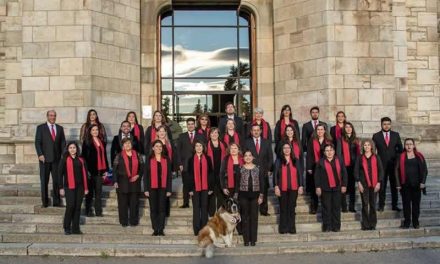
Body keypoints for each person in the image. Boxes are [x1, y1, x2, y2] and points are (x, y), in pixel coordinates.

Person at [35, 110, 66, 207]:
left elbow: (63, 143)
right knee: (44, 181)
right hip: (44, 160)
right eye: (51, 115)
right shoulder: (41, 128)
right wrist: (40, 154)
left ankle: (57, 202)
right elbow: (37, 142)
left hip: (56, 160)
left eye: (54, 115)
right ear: (47, 116)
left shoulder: (60, 128)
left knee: (57, 181)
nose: (53, 117)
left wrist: (63, 156)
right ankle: (45, 202)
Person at [395, 138, 428, 229]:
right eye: (407, 144)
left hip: (417, 185)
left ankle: (415, 222)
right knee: (406, 204)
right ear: (404, 146)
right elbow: (396, 171)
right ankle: (407, 222)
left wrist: (423, 182)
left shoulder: (419, 156)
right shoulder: (401, 156)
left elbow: (425, 170)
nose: (409, 146)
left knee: (416, 204)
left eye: (410, 144)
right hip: (405, 185)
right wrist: (398, 184)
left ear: (413, 145)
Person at [372, 117, 403, 212]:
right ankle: (381, 205)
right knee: (382, 186)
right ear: (381, 124)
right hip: (381, 165)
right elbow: (373, 151)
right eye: (384, 124)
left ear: (390, 125)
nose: (386, 126)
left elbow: (400, 149)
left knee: (394, 185)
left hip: (393, 165)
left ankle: (394, 205)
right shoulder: (376, 136)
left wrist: (396, 159)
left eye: (388, 124)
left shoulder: (396, 135)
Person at [314, 144, 347, 232]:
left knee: (336, 207)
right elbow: (317, 176)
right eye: (327, 151)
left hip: (337, 188)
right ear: (324, 152)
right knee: (326, 208)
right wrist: (318, 187)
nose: (329, 152)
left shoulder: (339, 160)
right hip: (325, 188)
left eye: (331, 150)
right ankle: (327, 226)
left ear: (334, 151)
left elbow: (344, 173)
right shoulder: (320, 162)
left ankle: (336, 226)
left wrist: (344, 185)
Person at [234, 150, 264, 246]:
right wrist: (236, 197)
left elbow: (262, 183)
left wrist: (261, 196)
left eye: (249, 155)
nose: (247, 157)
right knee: (245, 217)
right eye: (246, 155)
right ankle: (246, 240)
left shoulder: (258, 168)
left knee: (254, 217)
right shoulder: (240, 169)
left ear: (253, 157)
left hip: (255, 196)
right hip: (243, 196)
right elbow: (237, 184)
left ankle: (253, 239)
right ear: (243, 158)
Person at [58, 142, 89, 235]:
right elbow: (59, 174)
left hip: (80, 187)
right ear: (68, 149)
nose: (72, 149)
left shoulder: (81, 160)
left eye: (74, 147)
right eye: (70, 148)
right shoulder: (64, 160)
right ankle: (66, 227)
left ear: (77, 149)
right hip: (69, 186)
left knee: (77, 207)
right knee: (70, 206)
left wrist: (86, 188)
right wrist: (61, 188)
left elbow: (85, 174)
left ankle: (76, 228)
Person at [274, 142, 304, 234]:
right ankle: (283, 228)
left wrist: (301, 185)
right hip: (282, 188)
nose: (286, 150)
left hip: (293, 188)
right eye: (284, 148)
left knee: (291, 208)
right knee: (283, 208)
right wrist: (276, 186)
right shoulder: (278, 160)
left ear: (291, 150)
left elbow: (299, 174)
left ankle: (292, 228)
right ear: (282, 150)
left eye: (288, 148)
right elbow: (275, 174)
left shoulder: (296, 160)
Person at [112, 138, 144, 227]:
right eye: (125, 144)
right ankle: (124, 222)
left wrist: (138, 176)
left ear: (132, 144)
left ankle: (134, 221)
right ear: (123, 146)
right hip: (122, 183)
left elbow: (142, 168)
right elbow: (114, 170)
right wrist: (115, 181)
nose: (127, 145)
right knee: (123, 204)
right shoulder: (119, 156)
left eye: (129, 143)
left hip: (135, 182)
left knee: (134, 203)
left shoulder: (138, 155)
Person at [243, 124, 273, 216]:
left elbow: (270, 157)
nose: (256, 132)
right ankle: (252, 210)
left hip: (264, 170)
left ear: (260, 131)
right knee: (252, 190)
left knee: (263, 190)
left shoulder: (266, 142)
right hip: (250, 170)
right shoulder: (246, 142)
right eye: (254, 130)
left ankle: (264, 210)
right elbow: (244, 156)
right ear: (251, 132)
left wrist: (269, 169)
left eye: (257, 130)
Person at [144, 140, 172, 236]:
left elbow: (169, 176)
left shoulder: (166, 159)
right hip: (152, 187)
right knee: (153, 209)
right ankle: (155, 229)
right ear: (153, 148)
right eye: (156, 146)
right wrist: (146, 189)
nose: (158, 148)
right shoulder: (149, 159)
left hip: (163, 188)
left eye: (160, 146)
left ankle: (161, 229)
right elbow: (146, 175)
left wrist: (169, 189)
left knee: (162, 209)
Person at [354, 139, 383, 230]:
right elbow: (356, 171)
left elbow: (381, 171)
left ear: (371, 146)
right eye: (365, 145)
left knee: (373, 204)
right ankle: (366, 224)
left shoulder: (376, 157)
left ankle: (373, 224)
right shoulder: (359, 157)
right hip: (363, 184)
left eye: (368, 145)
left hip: (374, 184)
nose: (366, 147)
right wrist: (359, 183)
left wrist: (378, 183)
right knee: (365, 204)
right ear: (362, 146)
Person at [187, 140, 214, 236]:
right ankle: (197, 229)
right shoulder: (190, 159)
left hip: (206, 187)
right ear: (194, 148)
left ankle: (204, 228)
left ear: (203, 147)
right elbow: (189, 175)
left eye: (200, 146)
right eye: (197, 146)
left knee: (204, 207)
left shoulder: (208, 158)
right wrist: (190, 189)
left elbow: (211, 174)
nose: (198, 148)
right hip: (194, 187)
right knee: (196, 208)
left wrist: (211, 187)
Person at [82, 125, 109, 217]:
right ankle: (88, 211)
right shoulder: (86, 142)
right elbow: (83, 157)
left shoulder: (101, 141)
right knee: (89, 193)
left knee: (98, 193)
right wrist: (86, 170)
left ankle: (98, 212)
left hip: (100, 171)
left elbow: (104, 156)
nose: (95, 131)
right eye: (93, 130)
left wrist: (106, 170)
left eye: (96, 129)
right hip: (90, 171)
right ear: (90, 131)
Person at [306, 123, 332, 214]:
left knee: (325, 187)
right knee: (314, 187)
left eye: (321, 129)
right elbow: (309, 154)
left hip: (326, 167)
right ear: (316, 131)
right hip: (314, 166)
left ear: (325, 131)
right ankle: (314, 206)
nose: (320, 131)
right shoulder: (312, 140)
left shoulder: (329, 141)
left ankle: (325, 207)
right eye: (318, 130)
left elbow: (332, 154)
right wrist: (309, 167)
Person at [177, 118, 203, 208]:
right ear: (186, 125)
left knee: (197, 182)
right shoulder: (181, 136)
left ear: (195, 125)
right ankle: (186, 202)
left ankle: (197, 201)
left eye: (192, 124)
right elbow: (178, 151)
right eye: (189, 124)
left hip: (198, 162)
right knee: (186, 183)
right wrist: (180, 164)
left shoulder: (200, 136)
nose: (191, 125)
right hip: (185, 164)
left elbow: (204, 149)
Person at [336, 122, 360, 212]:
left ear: (352, 129)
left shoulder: (356, 140)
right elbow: (338, 153)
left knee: (352, 187)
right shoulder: (340, 139)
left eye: (350, 127)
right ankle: (344, 206)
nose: (348, 128)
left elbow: (358, 154)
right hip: (344, 166)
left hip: (354, 166)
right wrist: (340, 165)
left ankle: (352, 206)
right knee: (344, 185)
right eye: (346, 127)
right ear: (344, 129)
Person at [156, 125, 177, 217]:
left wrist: (173, 169)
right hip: (156, 170)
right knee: (158, 191)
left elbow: (173, 156)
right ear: (157, 133)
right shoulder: (154, 143)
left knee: (166, 190)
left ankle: (165, 212)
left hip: (167, 170)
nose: (162, 133)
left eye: (163, 131)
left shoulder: (169, 143)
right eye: (160, 131)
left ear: (166, 133)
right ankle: (158, 210)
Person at [206, 128, 227, 216]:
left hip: (221, 171)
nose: (214, 134)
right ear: (209, 135)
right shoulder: (206, 145)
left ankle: (220, 211)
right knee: (211, 192)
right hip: (210, 171)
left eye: (216, 133)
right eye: (212, 133)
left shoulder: (223, 144)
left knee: (221, 192)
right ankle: (211, 212)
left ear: (218, 134)